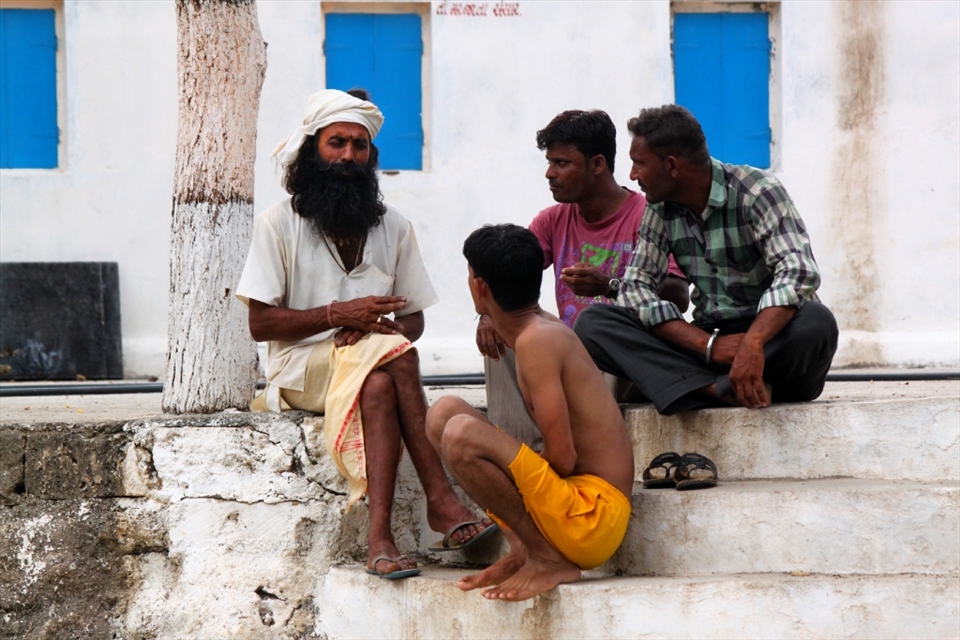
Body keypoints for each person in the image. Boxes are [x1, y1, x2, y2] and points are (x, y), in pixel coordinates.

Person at [235, 89, 492, 580]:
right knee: (394, 359)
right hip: (300, 370)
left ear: (371, 156)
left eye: (359, 146)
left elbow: (413, 320)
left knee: (379, 383)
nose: (348, 156)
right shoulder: (277, 224)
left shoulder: (394, 227)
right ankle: (441, 499)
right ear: (314, 150)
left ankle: (380, 537)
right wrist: (339, 314)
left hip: (372, 362)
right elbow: (260, 323)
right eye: (337, 144)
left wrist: (381, 330)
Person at [574, 105, 839, 415]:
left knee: (817, 322)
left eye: (639, 164)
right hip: (709, 347)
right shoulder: (660, 208)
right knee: (594, 324)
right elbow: (635, 289)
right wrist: (707, 346)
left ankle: (698, 387)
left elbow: (797, 273)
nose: (633, 176)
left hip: (773, 343)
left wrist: (753, 343)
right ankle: (716, 390)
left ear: (671, 165)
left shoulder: (756, 191)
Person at [427, 224, 634, 601]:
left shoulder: (539, 339)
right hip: (574, 509)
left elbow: (564, 459)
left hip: (592, 519)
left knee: (460, 433)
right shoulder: (533, 331)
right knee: (442, 413)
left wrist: (506, 467)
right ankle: (523, 548)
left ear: (480, 288)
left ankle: (547, 558)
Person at [479, 110, 689, 445]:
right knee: (501, 326)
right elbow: (513, 278)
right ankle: (526, 456)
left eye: (562, 163)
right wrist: (490, 313)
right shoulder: (551, 221)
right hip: (571, 352)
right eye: (549, 162)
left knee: (597, 324)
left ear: (597, 164)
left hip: (623, 356)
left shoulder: (647, 216)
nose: (550, 173)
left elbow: (679, 295)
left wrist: (609, 285)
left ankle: (587, 445)